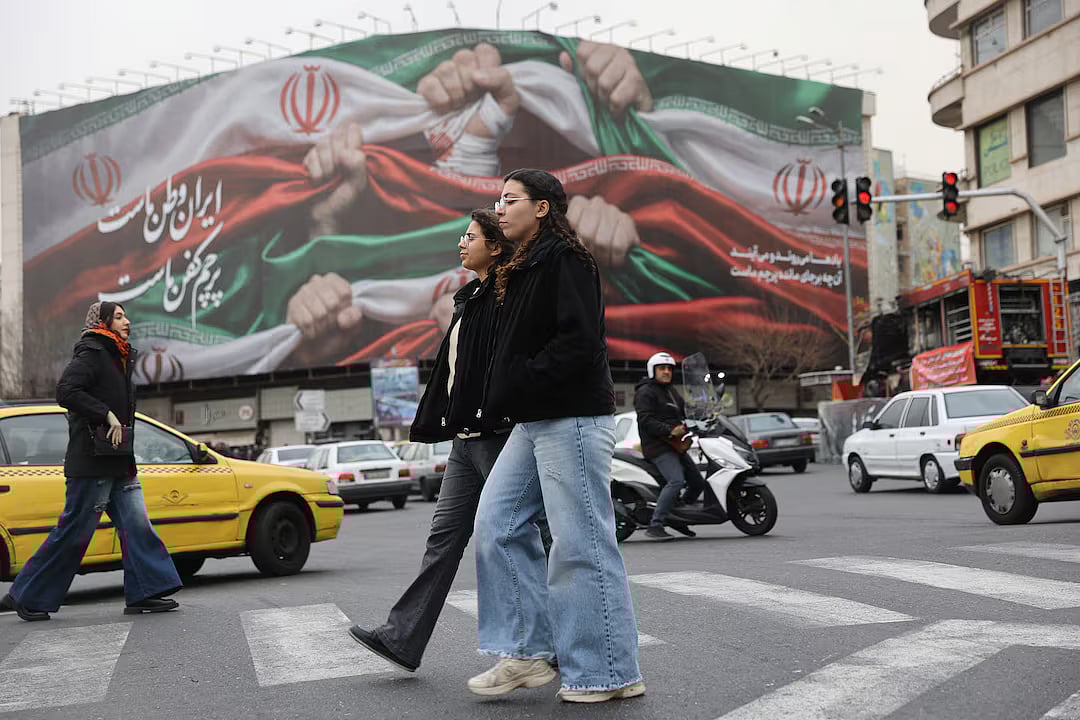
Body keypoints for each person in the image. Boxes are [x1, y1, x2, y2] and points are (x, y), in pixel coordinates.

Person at [469, 169, 644, 703]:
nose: (499, 208)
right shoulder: (521, 266)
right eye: (497, 200)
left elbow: (579, 342)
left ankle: (608, 672)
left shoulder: (566, 259)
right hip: (534, 418)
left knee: (581, 544)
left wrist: (519, 380)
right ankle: (526, 652)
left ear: (542, 208)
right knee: (496, 523)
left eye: (510, 199)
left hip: (570, 416)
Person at [347, 209, 515, 672]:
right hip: (464, 442)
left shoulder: (508, 297)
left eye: (471, 236)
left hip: (497, 437)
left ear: (496, 246)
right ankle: (402, 639)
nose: (461, 243)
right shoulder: (469, 298)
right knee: (442, 541)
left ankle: (554, 643)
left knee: (523, 540)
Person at [0, 302, 181, 622]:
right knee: (74, 532)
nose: (127, 321)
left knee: (137, 527)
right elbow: (66, 391)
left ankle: (145, 592)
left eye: (126, 315)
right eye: (120, 316)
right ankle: (27, 595)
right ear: (103, 321)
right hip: (92, 464)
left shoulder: (119, 356)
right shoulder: (93, 352)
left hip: (118, 462)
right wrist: (106, 413)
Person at [634, 351, 708, 540]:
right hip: (658, 446)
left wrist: (704, 414)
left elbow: (686, 411)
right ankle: (655, 525)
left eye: (669, 369)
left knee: (698, 482)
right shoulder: (645, 392)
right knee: (676, 481)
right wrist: (669, 430)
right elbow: (646, 420)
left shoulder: (671, 391)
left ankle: (676, 517)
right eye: (662, 368)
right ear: (653, 370)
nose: (666, 372)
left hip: (675, 445)